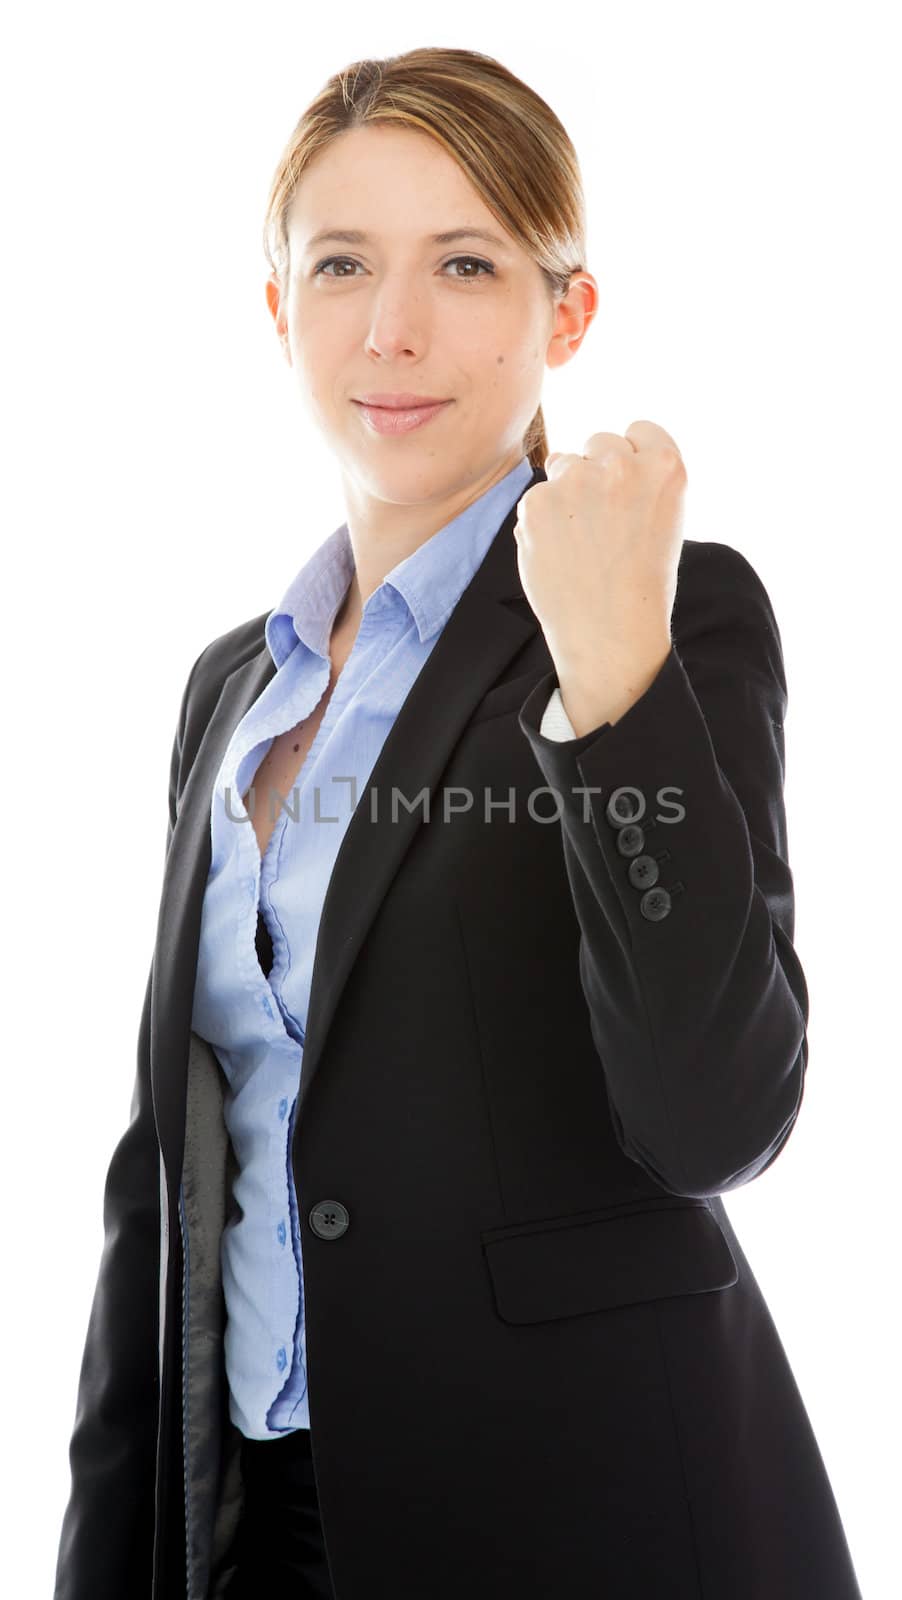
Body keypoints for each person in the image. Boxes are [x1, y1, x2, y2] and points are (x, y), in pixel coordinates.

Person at [53, 44, 864, 1600]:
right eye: (341, 263)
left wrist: (611, 678)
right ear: (278, 308)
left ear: (568, 311)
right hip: (254, 1514)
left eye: (467, 263)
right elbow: (168, 1165)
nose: (393, 328)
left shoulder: (667, 618)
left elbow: (718, 1116)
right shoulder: (233, 688)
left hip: (581, 1505)